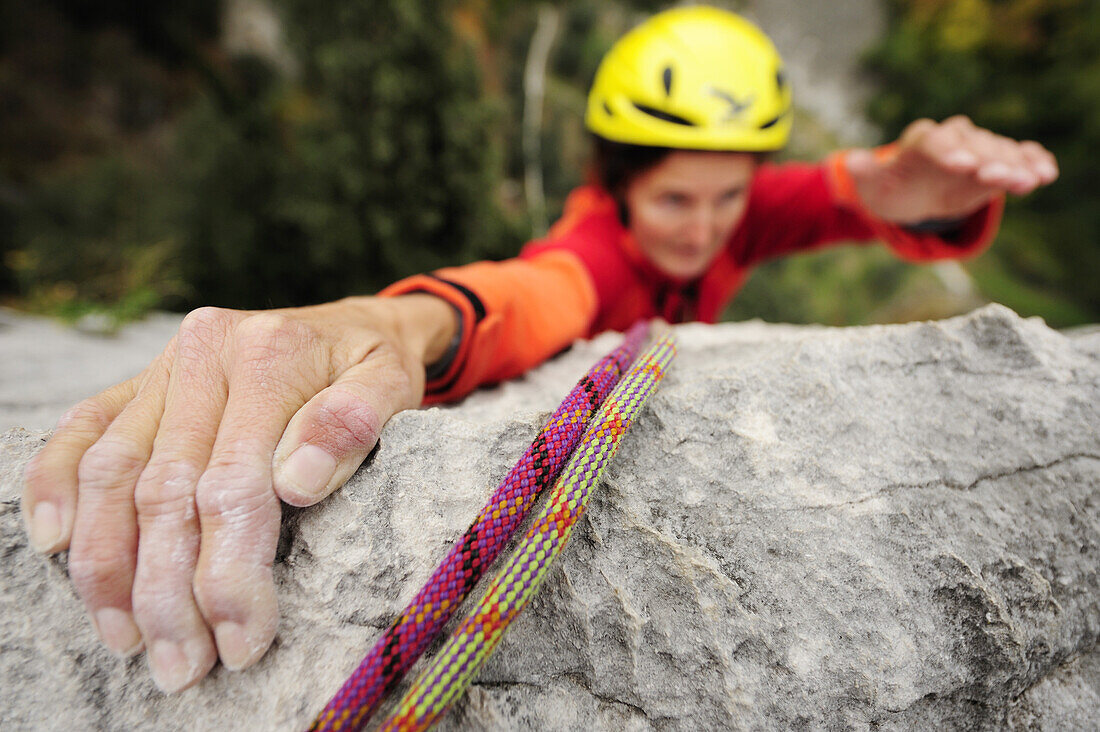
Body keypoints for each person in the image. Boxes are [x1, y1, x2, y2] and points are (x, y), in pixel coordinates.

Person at [21, 6, 1058, 694]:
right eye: (674, 199)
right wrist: (391, 325)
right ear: (617, 183)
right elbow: (527, 297)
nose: (703, 228)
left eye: (728, 196)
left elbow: (839, 193)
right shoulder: (593, 253)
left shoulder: (740, 212)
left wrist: (903, 192)